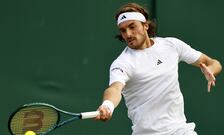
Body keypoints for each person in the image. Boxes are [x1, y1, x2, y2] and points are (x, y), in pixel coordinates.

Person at [95, 2, 222, 135]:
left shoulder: (171, 45)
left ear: (146, 25)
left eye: (132, 27)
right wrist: (107, 105)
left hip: (180, 130)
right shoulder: (122, 63)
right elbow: (114, 89)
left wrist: (211, 70)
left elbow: (213, 63)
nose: (128, 34)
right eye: (123, 30)